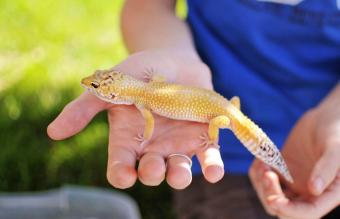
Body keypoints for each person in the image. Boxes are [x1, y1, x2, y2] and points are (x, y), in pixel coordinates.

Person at [47, 0, 340, 218]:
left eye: (98, 86)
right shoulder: (146, 94)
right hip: (232, 145)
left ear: (114, 92)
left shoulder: (143, 101)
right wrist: (170, 53)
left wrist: (207, 137)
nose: (92, 85)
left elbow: (148, 124)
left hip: (251, 121)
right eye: (97, 83)